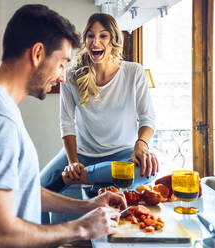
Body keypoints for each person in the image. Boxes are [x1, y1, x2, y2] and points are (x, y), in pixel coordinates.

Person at [0, 5, 127, 248]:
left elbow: (21, 190)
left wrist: (88, 206)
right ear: (37, 53)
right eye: (61, 64)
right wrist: (82, 227)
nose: (63, 77)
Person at [40, 13, 158, 223]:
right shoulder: (71, 75)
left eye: (103, 36)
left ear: (113, 41)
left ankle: (89, 176)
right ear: (85, 41)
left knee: (147, 171)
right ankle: (42, 239)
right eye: (90, 36)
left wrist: (141, 144)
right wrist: (74, 163)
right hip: (83, 154)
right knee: (36, 188)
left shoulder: (134, 72)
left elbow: (148, 119)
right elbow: (66, 123)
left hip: (122, 156)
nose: (96, 42)